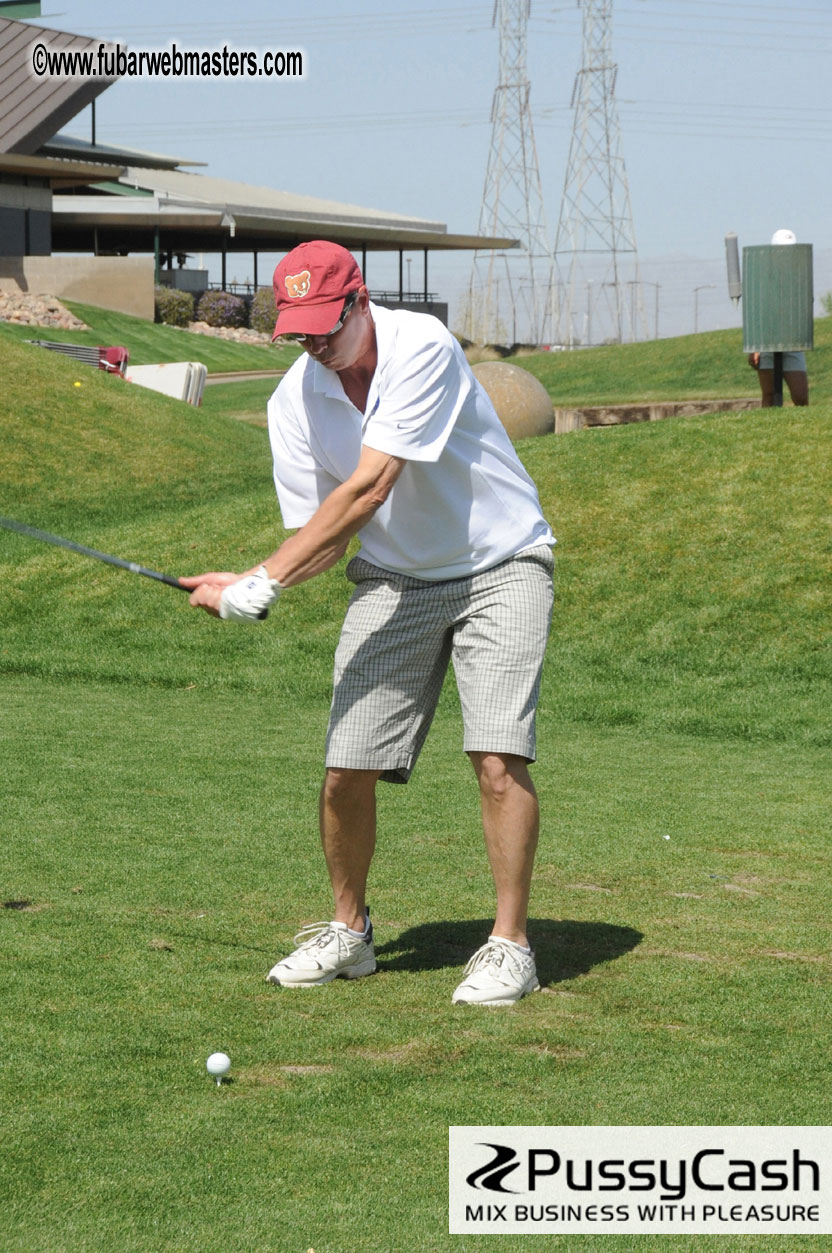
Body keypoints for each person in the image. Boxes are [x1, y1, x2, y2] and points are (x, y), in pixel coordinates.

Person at [181, 240, 555, 1007]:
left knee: (495, 754)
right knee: (344, 765)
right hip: (395, 575)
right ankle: (350, 933)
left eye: (327, 324)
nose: (316, 344)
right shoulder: (294, 400)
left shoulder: (421, 344)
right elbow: (329, 532)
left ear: (360, 300)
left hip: (502, 560)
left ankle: (511, 944)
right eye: (301, 330)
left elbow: (371, 487)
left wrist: (264, 575)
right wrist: (257, 578)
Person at [747, 229, 809, 407]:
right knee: (769, 395)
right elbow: (757, 310)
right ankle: (767, 432)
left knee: (801, 396)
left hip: (793, 340)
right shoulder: (763, 276)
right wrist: (755, 345)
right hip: (767, 340)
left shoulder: (800, 274)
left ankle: (803, 431)